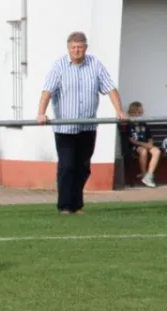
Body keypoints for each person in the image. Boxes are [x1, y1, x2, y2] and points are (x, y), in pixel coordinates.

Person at [37, 32, 127, 215]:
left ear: (85, 48)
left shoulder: (95, 64)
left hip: (87, 127)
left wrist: (120, 110)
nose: (76, 51)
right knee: (67, 166)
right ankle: (64, 206)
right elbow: (47, 91)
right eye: (73, 48)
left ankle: (76, 205)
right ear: (68, 48)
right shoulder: (59, 66)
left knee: (83, 167)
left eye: (80, 47)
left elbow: (110, 88)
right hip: (65, 129)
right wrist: (41, 113)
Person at [124, 101, 160, 187]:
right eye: (135, 113)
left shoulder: (144, 123)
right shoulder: (129, 124)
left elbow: (149, 137)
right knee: (143, 151)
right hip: (136, 146)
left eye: (140, 112)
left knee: (157, 151)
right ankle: (143, 173)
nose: (138, 115)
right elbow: (132, 141)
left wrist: (150, 143)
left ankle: (149, 175)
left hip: (145, 144)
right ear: (130, 113)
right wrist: (143, 144)